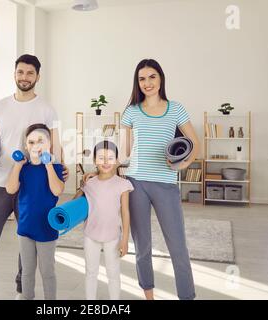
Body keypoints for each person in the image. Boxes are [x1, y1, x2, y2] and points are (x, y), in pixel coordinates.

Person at [83, 58, 199, 300]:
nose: (147, 83)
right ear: (138, 83)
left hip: (166, 184)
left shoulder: (175, 109)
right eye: (142, 79)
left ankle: (187, 297)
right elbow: (123, 152)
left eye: (152, 77)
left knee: (178, 248)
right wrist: (102, 172)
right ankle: (149, 296)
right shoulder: (131, 112)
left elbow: (195, 144)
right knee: (142, 246)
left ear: (161, 79)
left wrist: (182, 164)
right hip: (135, 184)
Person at [0, 54, 69, 300]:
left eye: (30, 73)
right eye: (20, 72)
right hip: (0, 181)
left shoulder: (46, 108)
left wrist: (61, 167)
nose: (24, 77)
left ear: (37, 77)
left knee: (29, 239)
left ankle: (23, 291)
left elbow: (55, 144)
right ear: (14, 74)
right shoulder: (0, 106)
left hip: (32, 186)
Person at [6, 123, 64, 300]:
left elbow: (57, 191)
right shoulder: (22, 168)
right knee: (27, 272)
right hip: (25, 227)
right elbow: (10, 189)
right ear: (25, 146)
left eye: (41, 141)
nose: (36, 146)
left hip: (46, 228)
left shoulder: (56, 167)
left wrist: (48, 165)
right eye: (31, 142)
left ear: (49, 145)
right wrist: (17, 165)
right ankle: (26, 297)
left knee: (47, 272)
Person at [74, 140, 133, 300]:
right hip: (90, 235)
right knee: (91, 273)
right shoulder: (89, 183)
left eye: (110, 158)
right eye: (101, 158)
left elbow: (125, 212)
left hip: (112, 237)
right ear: (94, 161)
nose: (106, 162)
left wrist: (125, 239)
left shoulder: (123, 184)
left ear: (116, 160)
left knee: (113, 274)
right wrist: (82, 185)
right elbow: (75, 203)